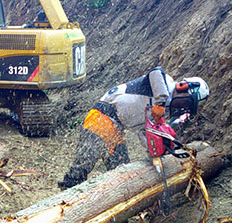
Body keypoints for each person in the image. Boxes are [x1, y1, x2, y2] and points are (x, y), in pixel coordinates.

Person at [58, 68, 208, 189]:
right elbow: (156, 72)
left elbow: (144, 130)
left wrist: (154, 152)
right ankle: (62, 206)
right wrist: (160, 103)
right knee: (81, 169)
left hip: (116, 131)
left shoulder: (163, 109)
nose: (184, 108)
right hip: (101, 119)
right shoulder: (164, 84)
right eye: (187, 103)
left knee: (122, 176)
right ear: (184, 87)